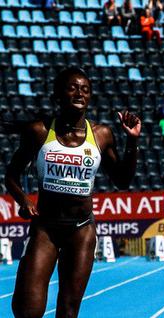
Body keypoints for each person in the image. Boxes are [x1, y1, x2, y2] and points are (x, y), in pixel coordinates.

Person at [5, 67, 141, 317]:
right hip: (45, 228)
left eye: (85, 89)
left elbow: (122, 180)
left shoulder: (101, 135)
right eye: (73, 87)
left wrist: (132, 141)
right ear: (58, 95)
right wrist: (23, 200)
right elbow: (11, 175)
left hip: (81, 230)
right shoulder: (39, 131)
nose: (80, 92)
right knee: (26, 309)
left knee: (68, 310)